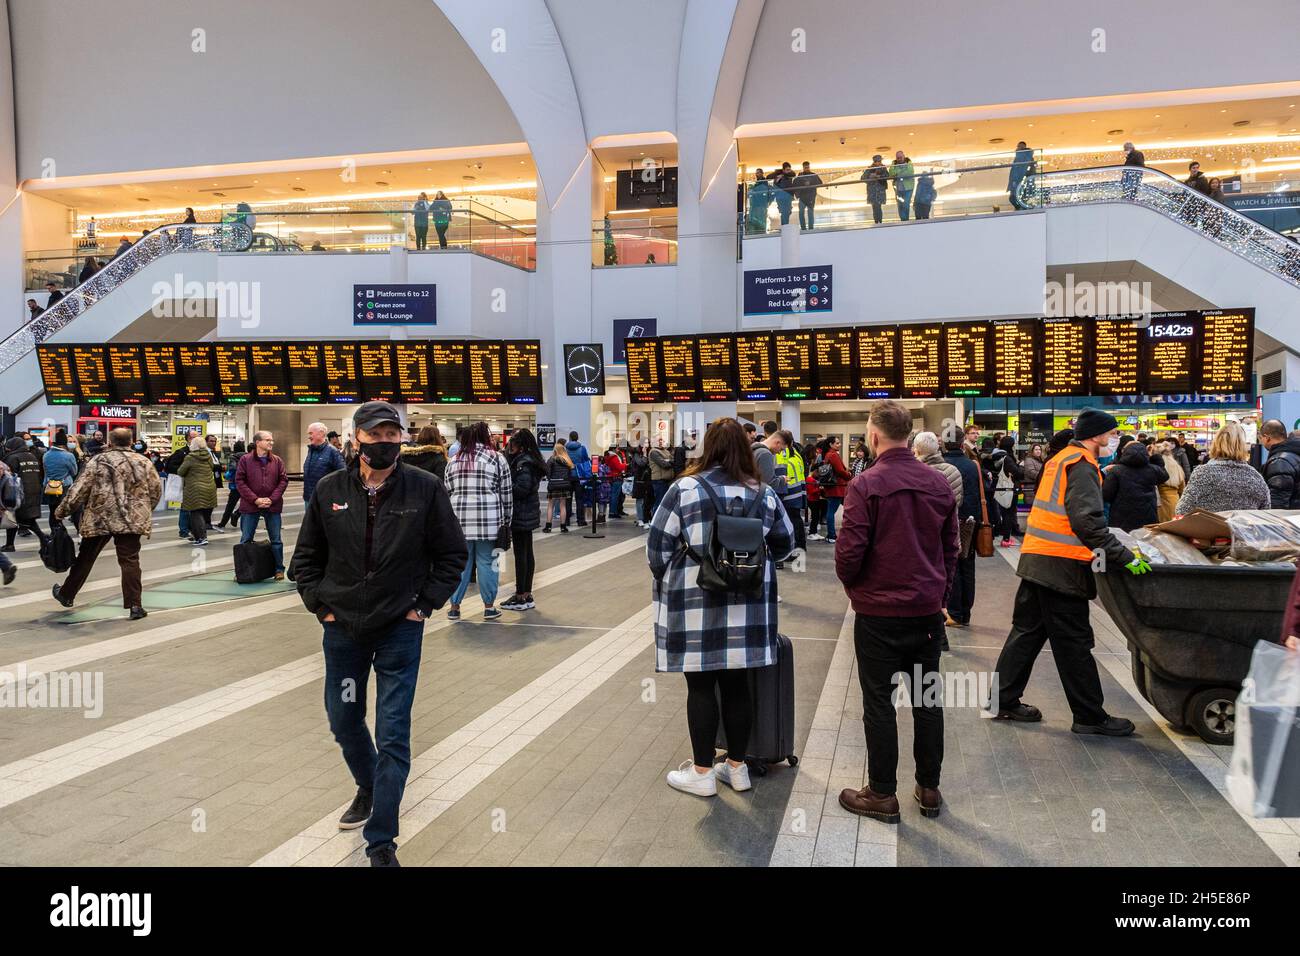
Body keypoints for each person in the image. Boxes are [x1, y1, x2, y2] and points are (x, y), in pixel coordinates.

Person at [289, 401, 467, 868]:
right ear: (357, 439)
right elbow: (304, 559)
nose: (385, 442)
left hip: (398, 632)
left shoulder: (425, 489)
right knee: (343, 719)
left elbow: (452, 554)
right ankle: (368, 785)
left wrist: (423, 605)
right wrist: (321, 606)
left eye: (393, 434)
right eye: (376, 434)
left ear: (402, 440)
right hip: (343, 629)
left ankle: (381, 839)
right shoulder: (330, 490)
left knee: (393, 733)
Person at [648, 419, 794, 797]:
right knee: (737, 686)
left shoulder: (685, 488)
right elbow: (785, 544)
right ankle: (737, 767)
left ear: (707, 448)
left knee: (700, 687)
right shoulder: (763, 492)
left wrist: (674, 572)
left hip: (696, 602)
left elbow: (658, 546)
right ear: (746, 449)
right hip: (749, 605)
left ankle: (701, 772)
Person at [835, 402, 958, 821]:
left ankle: (883, 794)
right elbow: (950, 549)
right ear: (909, 435)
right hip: (925, 614)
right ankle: (929, 789)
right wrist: (940, 598)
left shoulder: (865, 486)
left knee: (879, 703)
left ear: (873, 436)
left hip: (878, 616)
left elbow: (848, 554)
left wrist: (857, 589)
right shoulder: (939, 485)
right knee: (927, 701)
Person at [993, 409, 1148, 736]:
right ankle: (1090, 716)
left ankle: (1002, 700)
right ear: (1097, 435)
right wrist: (1125, 557)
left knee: (1027, 632)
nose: (1112, 440)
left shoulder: (1060, 459)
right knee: (1075, 643)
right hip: (1062, 567)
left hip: (1037, 559)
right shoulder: (1082, 464)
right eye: (1111, 434)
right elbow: (1086, 521)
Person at [50, 428, 161, 620]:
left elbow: (80, 489)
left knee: (86, 557)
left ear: (110, 442)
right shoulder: (144, 462)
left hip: (100, 517)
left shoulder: (98, 461)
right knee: (130, 560)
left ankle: (66, 594)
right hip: (130, 519)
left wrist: (62, 511)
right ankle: (135, 605)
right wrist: (144, 510)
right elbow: (155, 490)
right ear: (131, 441)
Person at [444, 421, 512, 621]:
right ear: (486, 436)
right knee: (489, 563)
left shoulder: (453, 461)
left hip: (459, 523)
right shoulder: (497, 459)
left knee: (461, 565)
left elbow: (447, 492)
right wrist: (506, 521)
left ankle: (454, 607)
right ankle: (489, 607)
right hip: (489, 522)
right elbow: (506, 493)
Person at [1174, 422, 1268, 514]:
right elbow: (1266, 512)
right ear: (1242, 446)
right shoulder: (1255, 477)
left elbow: (1182, 510)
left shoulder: (1202, 473)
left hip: (1209, 529)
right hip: (1244, 529)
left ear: (1216, 443)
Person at [501, 429, 545, 612]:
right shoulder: (530, 461)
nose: (509, 447)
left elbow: (521, 489)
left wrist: (505, 484)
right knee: (527, 552)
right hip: (528, 512)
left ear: (520, 445)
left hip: (521, 513)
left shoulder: (523, 464)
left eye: (512, 443)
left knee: (521, 555)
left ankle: (520, 596)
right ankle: (526, 593)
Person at [235, 431, 288, 579]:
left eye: (272, 440)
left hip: (273, 506)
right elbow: (240, 481)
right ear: (258, 442)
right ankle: (243, 570)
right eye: (267, 440)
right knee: (246, 539)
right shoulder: (245, 460)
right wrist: (255, 499)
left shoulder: (277, 461)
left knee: (276, 540)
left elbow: (283, 481)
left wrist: (272, 499)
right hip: (250, 506)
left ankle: (279, 569)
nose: (271, 443)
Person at [942, 434, 982, 629]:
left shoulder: (942, 465)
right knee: (968, 566)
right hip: (972, 521)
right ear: (961, 442)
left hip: (952, 521)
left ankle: (955, 613)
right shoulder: (972, 464)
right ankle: (965, 612)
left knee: (953, 565)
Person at [1102, 439, 1168, 531]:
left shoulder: (1116, 470)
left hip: (1120, 517)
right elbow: (1164, 476)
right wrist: (1155, 456)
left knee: (1123, 543)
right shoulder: (1152, 469)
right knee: (1145, 543)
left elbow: (1107, 495)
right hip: (1148, 516)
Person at [1, 437, 49, 552]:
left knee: (15, 517)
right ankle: (10, 544)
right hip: (33, 489)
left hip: (17, 492)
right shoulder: (31, 456)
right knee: (22, 517)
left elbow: (7, 477)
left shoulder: (12, 458)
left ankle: (44, 539)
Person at [177, 435, 217, 545]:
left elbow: (181, 471)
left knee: (195, 513)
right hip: (209, 487)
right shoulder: (208, 456)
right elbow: (212, 467)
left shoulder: (190, 457)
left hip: (195, 489)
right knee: (203, 513)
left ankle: (201, 538)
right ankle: (197, 536)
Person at [774, 428, 807, 557]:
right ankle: (800, 549)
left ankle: (793, 551)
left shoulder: (782, 453)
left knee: (790, 524)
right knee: (797, 522)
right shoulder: (797, 452)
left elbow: (779, 472)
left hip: (788, 493)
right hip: (798, 492)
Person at [41, 430, 78, 532]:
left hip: (49, 486)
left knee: (52, 510)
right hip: (64, 486)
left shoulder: (46, 455)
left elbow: (44, 470)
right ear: (64, 443)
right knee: (65, 510)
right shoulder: (69, 455)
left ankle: (55, 532)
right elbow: (74, 472)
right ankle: (63, 533)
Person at [1259, 419, 1300, 509]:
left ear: (1267, 438)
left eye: (1261, 438)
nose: (1261, 442)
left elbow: (1277, 503)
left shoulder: (1279, 462)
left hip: (1287, 519)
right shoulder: (1293, 454)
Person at [990, 436, 1023, 546]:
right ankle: (1006, 539)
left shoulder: (1001, 457)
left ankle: (1006, 538)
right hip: (1010, 489)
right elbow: (1017, 473)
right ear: (1010, 445)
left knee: (1006, 513)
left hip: (1004, 488)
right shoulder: (1008, 458)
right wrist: (1021, 467)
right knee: (1009, 513)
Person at [819, 436, 852, 543]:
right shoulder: (833, 455)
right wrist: (848, 475)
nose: (839, 445)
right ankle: (832, 535)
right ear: (831, 445)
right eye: (837, 443)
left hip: (832, 487)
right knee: (831, 512)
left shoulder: (828, 455)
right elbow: (840, 471)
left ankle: (832, 535)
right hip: (837, 488)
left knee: (833, 511)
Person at [302, 422, 345, 503]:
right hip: (309, 498)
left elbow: (343, 475)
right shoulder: (311, 450)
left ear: (321, 433)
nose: (309, 437)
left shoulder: (333, 451)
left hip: (324, 500)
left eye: (311, 433)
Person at [914, 431, 961, 502]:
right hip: (948, 512)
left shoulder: (913, 472)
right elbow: (957, 501)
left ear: (917, 450)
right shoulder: (952, 470)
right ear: (937, 447)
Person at [214, 440, 245, 530]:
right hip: (246, 485)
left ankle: (222, 523)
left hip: (235, 485)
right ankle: (237, 514)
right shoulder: (248, 456)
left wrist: (227, 476)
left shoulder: (233, 457)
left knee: (230, 505)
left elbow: (232, 469)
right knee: (247, 503)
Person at [1151, 441, 1185, 522]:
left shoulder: (1156, 467)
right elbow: (1182, 488)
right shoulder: (1177, 467)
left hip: (1160, 503)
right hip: (1176, 503)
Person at [544, 439, 573, 533]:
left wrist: (551, 479)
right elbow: (569, 473)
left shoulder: (551, 460)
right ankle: (563, 527)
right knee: (563, 506)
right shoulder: (567, 461)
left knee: (550, 505)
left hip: (553, 484)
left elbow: (547, 472)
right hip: (564, 485)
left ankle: (548, 527)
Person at [566, 430, 592, 527]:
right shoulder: (582, 449)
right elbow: (586, 460)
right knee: (579, 499)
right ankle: (580, 520)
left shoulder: (565, 449)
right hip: (579, 476)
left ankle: (567, 520)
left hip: (568, 476)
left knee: (568, 499)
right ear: (577, 438)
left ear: (570, 437)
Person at [648, 436, 674, 519]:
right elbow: (664, 464)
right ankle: (656, 521)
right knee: (659, 502)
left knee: (665, 503)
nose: (661, 441)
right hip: (659, 481)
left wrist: (669, 461)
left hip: (668, 480)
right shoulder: (654, 452)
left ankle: (662, 520)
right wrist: (668, 461)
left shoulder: (666, 451)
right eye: (659, 440)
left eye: (662, 440)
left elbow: (674, 460)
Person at [793, 161, 823, 230]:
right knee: (801, 213)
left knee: (810, 213)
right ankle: (803, 227)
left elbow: (820, 183)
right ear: (803, 168)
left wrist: (810, 183)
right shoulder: (800, 176)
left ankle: (811, 228)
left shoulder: (813, 175)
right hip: (802, 197)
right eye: (805, 167)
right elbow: (795, 183)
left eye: (807, 167)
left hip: (811, 197)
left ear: (809, 167)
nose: (806, 168)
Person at [861, 155, 889, 225]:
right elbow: (862, 178)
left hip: (880, 190)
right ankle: (877, 221)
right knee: (875, 206)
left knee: (878, 206)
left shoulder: (883, 168)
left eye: (879, 161)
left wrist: (879, 176)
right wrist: (871, 177)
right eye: (877, 161)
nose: (878, 163)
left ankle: (879, 221)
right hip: (872, 191)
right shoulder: (869, 169)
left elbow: (887, 176)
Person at [888, 151, 916, 221]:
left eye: (900, 157)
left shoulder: (909, 163)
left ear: (904, 156)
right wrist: (903, 171)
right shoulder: (893, 164)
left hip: (908, 188)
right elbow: (891, 173)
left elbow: (909, 172)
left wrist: (897, 174)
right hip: (898, 188)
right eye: (898, 158)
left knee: (906, 204)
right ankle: (903, 220)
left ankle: (905, 220)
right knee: (900, 205)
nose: (899, 159)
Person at [1008, 140, 1035, 209]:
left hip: (1021, 182)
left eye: (1019, 146)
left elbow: (1028, 171)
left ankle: (1021, 208)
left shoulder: (1024, 158)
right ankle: (1021, 208)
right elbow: (1013, 172)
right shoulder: (1020, 158)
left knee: (1016, 198)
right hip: (1019, 183)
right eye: (1018, 146)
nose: (1018, 148)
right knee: (1015, 198)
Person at [747, 169, 773, 234]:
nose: (757, 174)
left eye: (758, 173)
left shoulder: (764, 182)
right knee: (757, 220)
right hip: (756, 204)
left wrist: (753, 191)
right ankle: (758, 232)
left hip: (761, 204)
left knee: (761, 220)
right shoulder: (757, 182)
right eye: (756, 173)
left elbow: (762, 191)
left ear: (762, 173)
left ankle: (761, 232)